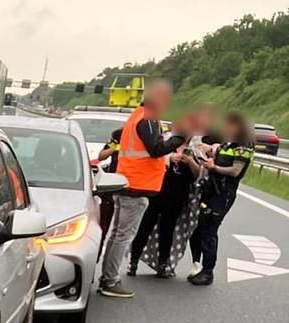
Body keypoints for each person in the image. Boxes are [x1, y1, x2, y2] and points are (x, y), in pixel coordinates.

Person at [98, 80, 187, 298]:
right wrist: (179, 138)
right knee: (123, 236)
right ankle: (110, 280)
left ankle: (107, 278)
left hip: (129, 183)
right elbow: (156, 149)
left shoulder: (138, 116)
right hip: (136, 186)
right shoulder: (147, 118)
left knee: (118, 234)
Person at [128, 107, 214, 277]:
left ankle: (163, 264)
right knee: (145, 228)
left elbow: (201, 175)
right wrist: (169, 158)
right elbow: (152, 158)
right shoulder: (165, 142)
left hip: (177, 197)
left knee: (168, 231)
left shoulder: (195, 149)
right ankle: (133, 262)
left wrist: (190, 161)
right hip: (156, 193)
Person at [186, 112, 256, 286]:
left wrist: (213, 166)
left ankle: (208, 271)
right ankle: (200, 265)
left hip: (224, 193)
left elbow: (235, 171)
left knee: (210, 229)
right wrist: (208, 154)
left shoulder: (243, 147)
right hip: (211, 190)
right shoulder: (226, 145)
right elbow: (216, 154)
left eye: (229, 125)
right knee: (201, 227)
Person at [95, 129, 121, 259]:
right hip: (111, 187)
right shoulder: (117, 138)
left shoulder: (143, 140)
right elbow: (101, 156)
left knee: (121, 231)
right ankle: (97, 256)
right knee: (103, 226)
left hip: (129, 188)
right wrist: (114, 149)